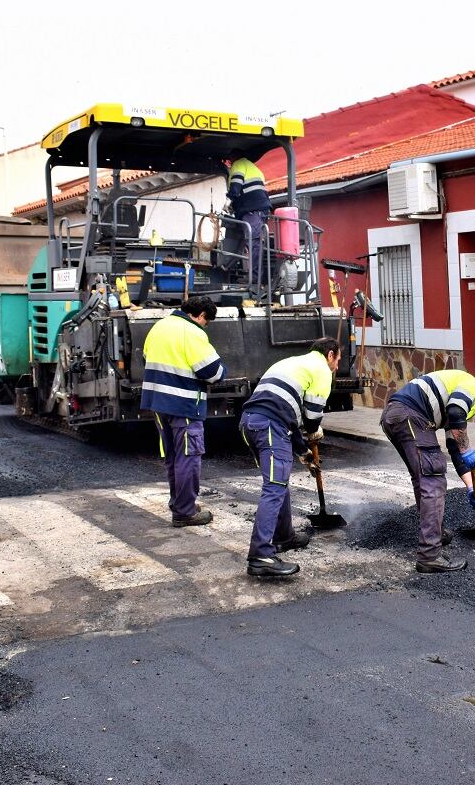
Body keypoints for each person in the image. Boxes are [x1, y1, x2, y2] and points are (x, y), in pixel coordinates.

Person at [380, 370, 475, 573]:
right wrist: (467, 449)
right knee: (433, 481)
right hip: (411, 415)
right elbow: (456, 411)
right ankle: (430, 556)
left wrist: (471, 487)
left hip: (396, 416)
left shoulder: (460, 392)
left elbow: (454, 447)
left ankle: (436, 534)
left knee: (423, 477)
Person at [239, 338, 341, 578]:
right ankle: (260, 556)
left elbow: (288, 418)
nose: (337, 366)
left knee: (279, 482)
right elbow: (312, 416)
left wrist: (303, 452)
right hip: (270, 426)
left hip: (250, 423)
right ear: (330, 354)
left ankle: (284, 537)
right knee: (274, 488)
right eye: (337, 360)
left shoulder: (292, 363)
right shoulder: (321, 369)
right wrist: (315, 431)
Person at [140, 296, 226, 527]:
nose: (205, 326)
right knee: (189, 457)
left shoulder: (159, 327)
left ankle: (179, 504)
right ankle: (185, 512)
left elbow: (146, 358)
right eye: (206, 321)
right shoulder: (193, 332)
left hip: (158, 403)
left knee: (173, 457)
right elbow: (213, 372)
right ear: (201, 315)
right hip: (184, 405)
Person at [223, 157, 272, 291]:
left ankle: (255, 279)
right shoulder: (253, 167)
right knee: (250, 242)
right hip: (260, 209)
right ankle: (250, 275)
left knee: (254, 242)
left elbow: (236, 184)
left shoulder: (238, 164)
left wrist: (229, 200)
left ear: (231, 159)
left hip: (251, 210)